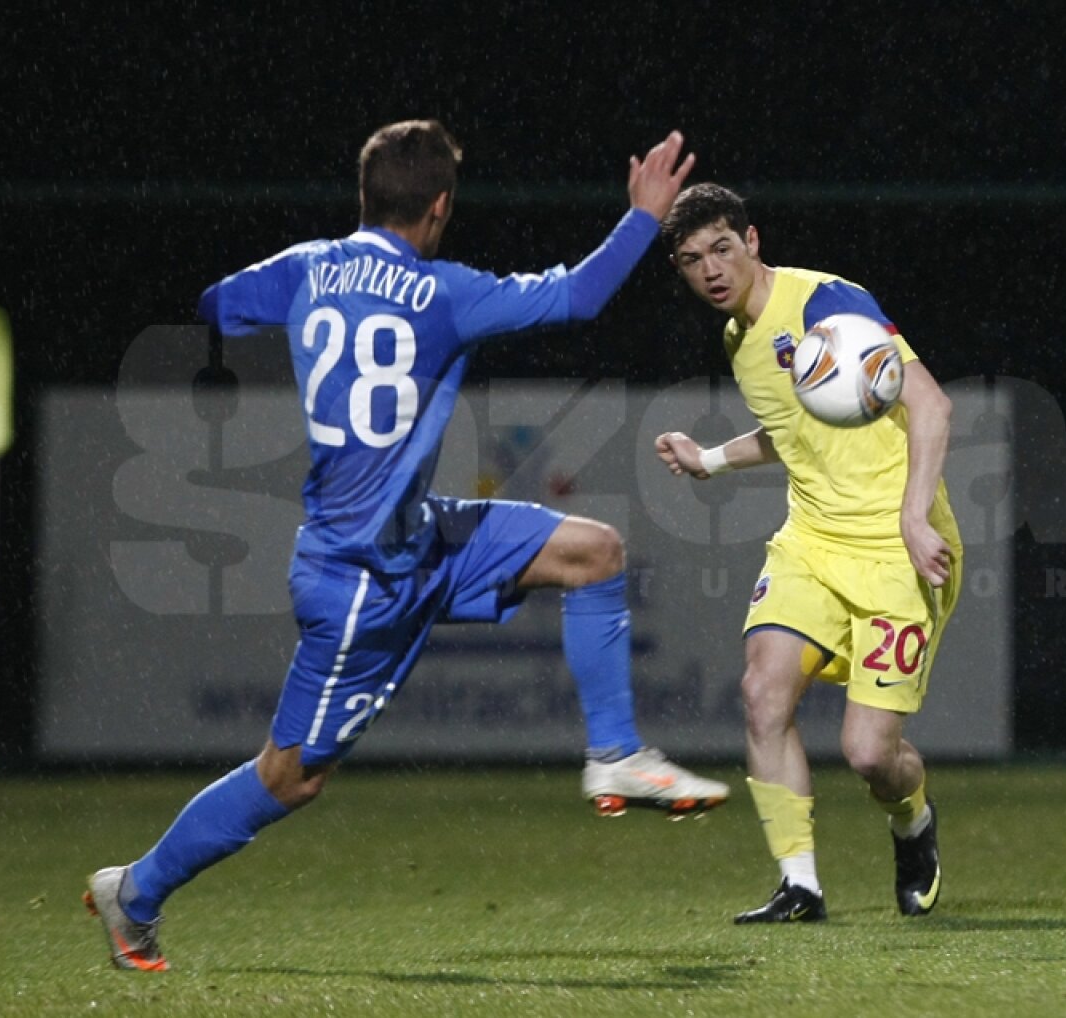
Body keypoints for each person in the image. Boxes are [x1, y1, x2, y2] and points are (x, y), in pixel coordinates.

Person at [84, 121, 729, 971]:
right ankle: (132, 892)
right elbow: (575, 297)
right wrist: (644, 217)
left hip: (418, 538)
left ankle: (615, 756)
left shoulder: (309, 269)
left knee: (593, 551)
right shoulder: (443, 292)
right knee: (291, 776)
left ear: (363, 197)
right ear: (439, 206)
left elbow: (217, 304)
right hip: (360, 578)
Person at [654, 183, 961, 923]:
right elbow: (791, 427)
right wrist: (711, 461)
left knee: (869, 754)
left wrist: (916, 517)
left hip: (897, 548)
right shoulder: (737, 338)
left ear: (753, 241)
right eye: (693, 260)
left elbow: (931, 403)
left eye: (723, 248)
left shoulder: (827, 303)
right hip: (813, 543)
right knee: (763, 694)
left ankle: (912, 822)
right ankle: (801, 886)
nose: (712, 270)